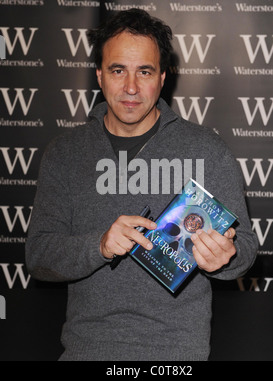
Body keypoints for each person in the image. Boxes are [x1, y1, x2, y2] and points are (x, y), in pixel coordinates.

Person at [25, 9, 258, 361]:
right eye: (118, 70)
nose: (131, 87)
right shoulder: (65, 153)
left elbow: (246, 250)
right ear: (100, 76)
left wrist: (227, 258)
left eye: (144, 71)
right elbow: (39, 256)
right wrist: (99, 246)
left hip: (178, 355)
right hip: (87, 350)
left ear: (162, 77)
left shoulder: (207, 149)